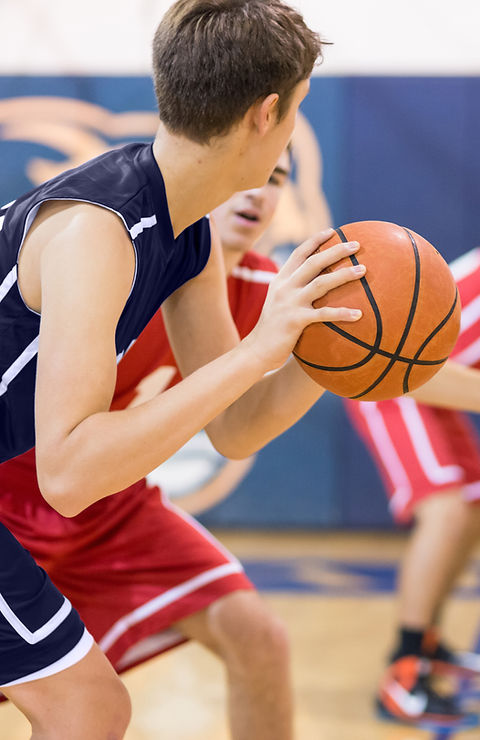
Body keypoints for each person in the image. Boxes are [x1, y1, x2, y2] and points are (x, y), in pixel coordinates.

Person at [0, 1, 367, 736]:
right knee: (85, 705)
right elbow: (68, 475)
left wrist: (331, 353)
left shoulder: (186, 232)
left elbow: (233, 427)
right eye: (296, 110)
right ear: (267, 114)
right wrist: (263, 348)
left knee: (88, 705)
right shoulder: (98, 233)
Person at [345, 245, 480, 728]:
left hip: (439, 383)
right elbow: (411, 367)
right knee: (446, 510)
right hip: (393, 375)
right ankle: (403, 671)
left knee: (471, 505)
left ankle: (427, 643)